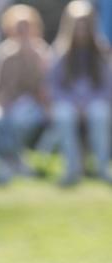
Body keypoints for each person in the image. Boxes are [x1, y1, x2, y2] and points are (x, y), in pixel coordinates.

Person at [0, 4, 51, 184]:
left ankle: (12, 162)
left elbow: (42, 86)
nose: (22, 31)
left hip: (33, 104)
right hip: (6, 103)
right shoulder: (2, 53)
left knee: (21, 120)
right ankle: (11, 161)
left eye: (26, 26)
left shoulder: (41, 52)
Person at [48, 1, 112, 186]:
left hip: (94, 103)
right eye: (78, 28)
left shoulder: (100, 52)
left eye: (85, 28)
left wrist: (87, 102)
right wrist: (75, 103)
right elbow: (54, 87)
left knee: (99, 113)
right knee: (63, 115)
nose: (81, 32)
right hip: (69, 104)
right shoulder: (60, 52)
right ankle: (71, 168)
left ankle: (102, 167)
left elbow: (107, 87)